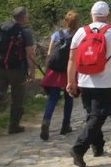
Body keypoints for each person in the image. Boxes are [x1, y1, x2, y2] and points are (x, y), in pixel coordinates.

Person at [66, 1, 111, 167]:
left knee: (92, 115)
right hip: (104, 82)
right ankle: (79, 148)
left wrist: (71, 80)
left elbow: (72, 59)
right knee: (99, 115)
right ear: (107, 16)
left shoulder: (81, 32)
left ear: (91, 15)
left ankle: (98, 147)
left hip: (84, 81)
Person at [0, 6, 36, 135]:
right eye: (27, 15)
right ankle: (13, 126)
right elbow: (30, 54)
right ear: (24, 17)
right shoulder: (25, 32)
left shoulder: (2, 28)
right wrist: (32, 73)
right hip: (17, 69)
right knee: (17, 97)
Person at [39, 9, 80, 140]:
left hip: (55, 71)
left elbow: (50, 54)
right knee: (69, 98)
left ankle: (46, 121)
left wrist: (46, 71)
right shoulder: (79, 35)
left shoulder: (57, 34)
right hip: (69, 71)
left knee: (52, 98)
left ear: (65, 21)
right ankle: (65, 125)